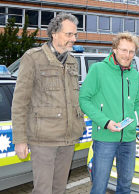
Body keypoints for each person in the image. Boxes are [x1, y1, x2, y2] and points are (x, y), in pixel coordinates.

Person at [79, 32, 139, 194]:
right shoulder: (98, 69)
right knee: (99, 187)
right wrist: (105, 122)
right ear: (114, 50)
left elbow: (137, 106)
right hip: (105, 137)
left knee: (125, 186)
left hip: (128, 139)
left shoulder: (134, 75)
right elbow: (83, 99)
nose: (127, 55)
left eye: (131, 51)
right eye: (123, 50)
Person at [12, 13, 85, 194]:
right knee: (43, 190)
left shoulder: (72, 61)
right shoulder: (33, 58)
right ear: (54, 33)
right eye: (69, 34)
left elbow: (74, 98)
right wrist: (20, 140)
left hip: (68, 139)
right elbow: (20, 101)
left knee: (59, 189)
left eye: (75, 35)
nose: (73, 39)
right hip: (43, 140)